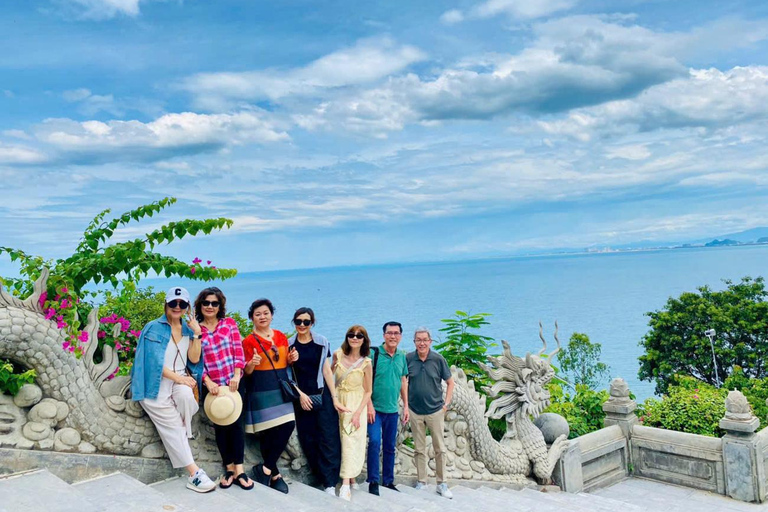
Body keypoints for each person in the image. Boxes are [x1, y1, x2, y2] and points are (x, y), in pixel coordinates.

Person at [130, 286, 216, 493]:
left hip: (178, 382)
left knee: (187, 398)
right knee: (174, 426)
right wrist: (180, 378)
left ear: (187, 307)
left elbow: (194, 359)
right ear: (166, 304)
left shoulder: (188, 330)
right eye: (173, 303)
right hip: (154, 383)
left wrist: (197, 334)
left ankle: (180, 432)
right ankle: (194, 473)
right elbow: (152, 364)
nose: (177, 307)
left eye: (182, 304)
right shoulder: (153, 328)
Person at [195, 287, 253, 490]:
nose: (210, 306)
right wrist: (207, 381)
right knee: (220, 428)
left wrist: (237, 375)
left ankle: (240, 470)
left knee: (237, 427)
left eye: (214, 303)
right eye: (206, 303)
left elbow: (238, 352)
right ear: (200, 305)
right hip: (213, 388)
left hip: (234, 383)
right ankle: (228, 469)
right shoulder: (196, 330)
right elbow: (194, 362)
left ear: (220, 306)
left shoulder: (229, 324)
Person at [288, 307, 348, 496]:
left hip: (322, 395)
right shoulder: (289, 345)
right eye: (298, 321)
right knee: (308, 440)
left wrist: (334, 397)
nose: (302, 325)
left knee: (329, 438)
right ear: (294, 323)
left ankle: (330, 483)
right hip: (301, 399)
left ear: (312, 323)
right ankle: (320, 478)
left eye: (306, 322)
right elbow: (287, 375)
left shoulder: (322, 342)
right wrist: (300, 395)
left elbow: (326, 371)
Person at [242, 298, 298, 494]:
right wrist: (252, 363)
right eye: (257, 314)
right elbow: (246, 372)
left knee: (288, 424)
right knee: (268, 432)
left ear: (271, 315)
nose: (262, 317)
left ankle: (265, 468)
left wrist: (292, 359)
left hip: (280, 389)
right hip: (260, 389)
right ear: (252, 318)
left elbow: (284, 364)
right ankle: (274, 474)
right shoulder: (248, 341)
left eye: (265, 313)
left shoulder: (281, 337)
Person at [407, 327, 455, 499]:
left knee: (439, 449)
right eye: (418, 340)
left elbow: (450, 382)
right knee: (419, 449)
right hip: (415, 410)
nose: (422, 343)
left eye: (425, 340)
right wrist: (406, 405)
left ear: (430, 341)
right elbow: (403, 382)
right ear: (414, 342)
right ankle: (422, 481)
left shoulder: (438, 359)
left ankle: (442, 483)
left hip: (435, 410)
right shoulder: (408, 359)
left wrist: (446, 404)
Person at [366, 321, 409, 495]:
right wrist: (368, 405)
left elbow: (403, 381)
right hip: (374, 410)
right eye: (389, 333)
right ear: (384, 335)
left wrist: (406, 406)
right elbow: (364, 380)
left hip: (392, 410)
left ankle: (388, 481)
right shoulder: (373, 354)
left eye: (396, 333)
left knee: (390, 446)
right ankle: (373, 481)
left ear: (400, 336)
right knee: (375, 442)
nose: (393, 336)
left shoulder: (401, 356)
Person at [332, 325, 373, 501]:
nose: (354, 338)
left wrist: (358, 413)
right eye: (351, 335)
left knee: (350, 441)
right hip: (339, 400)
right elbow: (329, 375)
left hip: (356, 404)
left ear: (364, 340)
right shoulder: (338, 355)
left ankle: (346, 483)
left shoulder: (366, 363)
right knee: (341, 440)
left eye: (359, 336)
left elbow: (368, 391)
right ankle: (353, 477)